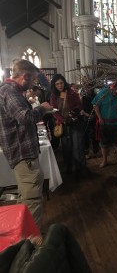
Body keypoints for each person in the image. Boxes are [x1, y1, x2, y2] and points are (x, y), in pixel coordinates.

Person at [0, 59, 53, 228]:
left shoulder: (9, 91)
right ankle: (30, 243)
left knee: (25, 198)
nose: (32, 85)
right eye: (32, 80)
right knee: (32, 200)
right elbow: (25, 118)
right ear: (24, 77)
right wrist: (42, 108)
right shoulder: (10, 92)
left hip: (20, 151)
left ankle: (21, 234)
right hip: (23, 153)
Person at [50, 74, 86, 177]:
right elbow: (54, 111)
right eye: (57, 84)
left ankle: (79, 167)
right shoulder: (53, 95)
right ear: (54, 85)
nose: (60, 85)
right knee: (66, 147)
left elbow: (79, 104)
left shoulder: (71, 93)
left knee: (77, 146)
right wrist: (63, 120)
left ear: (64, 82)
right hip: (63, 124)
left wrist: (74, 111)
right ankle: (69, 166)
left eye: (61, 83)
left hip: (75, 123)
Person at [91, 82, 117, 168]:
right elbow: (95, 104)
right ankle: (104, 160)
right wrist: (100, 117)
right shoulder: (104, 92)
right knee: (104, 143)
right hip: (105, 123)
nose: (116, 91)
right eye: (115, 89)